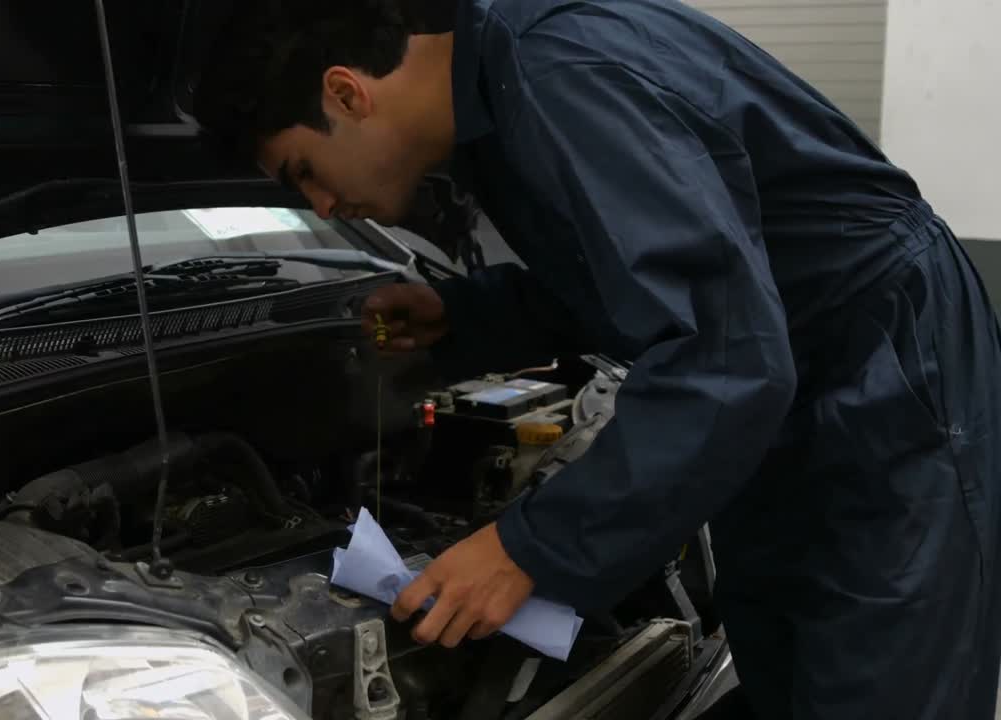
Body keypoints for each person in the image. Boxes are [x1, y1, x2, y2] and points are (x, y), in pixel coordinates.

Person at [191, 1, 1001, 717]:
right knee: (789, 666)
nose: (322, 204)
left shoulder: (559, 76)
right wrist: (468, 315)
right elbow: (627, 271)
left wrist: (528, 549)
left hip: (882, 368)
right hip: (790, 375)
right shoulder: (499, 98)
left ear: (346, 93)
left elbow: (725, 356)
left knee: (876, 672)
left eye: (304, 172)